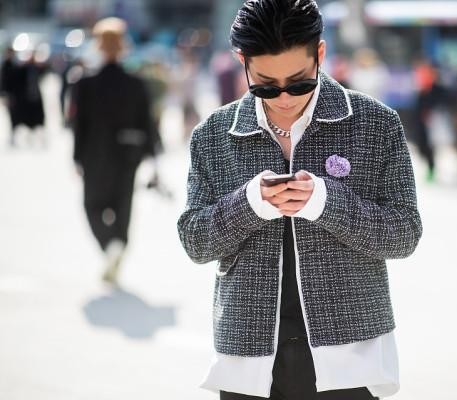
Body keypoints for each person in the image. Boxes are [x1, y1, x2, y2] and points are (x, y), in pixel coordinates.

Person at [177, 1, 422, 399]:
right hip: (247, 359)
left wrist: (326, 203)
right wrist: (249, 204)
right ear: (242, 62)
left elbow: (404, 234)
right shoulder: (213, 134)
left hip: (350, 356)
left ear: (319, 55)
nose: (284, 97)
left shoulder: (376, 123)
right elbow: (194, 241)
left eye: (299, 82)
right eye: (265, 85)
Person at [71, 17, 158, 284]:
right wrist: (152, 156)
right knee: (123, 204)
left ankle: (110, 244)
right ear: (123, 46)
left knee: (92, 205)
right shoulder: (136, 83)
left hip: (94, 153)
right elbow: (148, 123)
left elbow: (78, 125)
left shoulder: (85, 83)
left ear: (98, 46)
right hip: (129, 154)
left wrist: (76, 157)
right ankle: (118, 243)